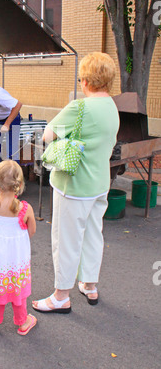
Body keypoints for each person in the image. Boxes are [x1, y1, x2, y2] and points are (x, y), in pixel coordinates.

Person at [32, 52, 119, 313]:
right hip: (100, 183)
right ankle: (90, 285)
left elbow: (48, 135)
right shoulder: (112, 107)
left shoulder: (79, 107)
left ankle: (61, 296)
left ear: (88, 81)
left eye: (82, 77)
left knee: (66, 240)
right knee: (93, 234)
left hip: (74, 185)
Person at [0, 160, 37, 336]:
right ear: (19, 184)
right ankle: (23, 321)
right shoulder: (25, 209)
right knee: (17, 288)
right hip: (17, 260)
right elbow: (31, 232)